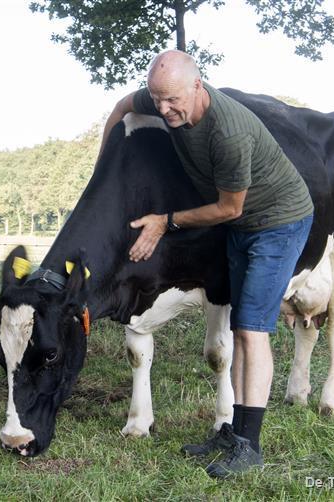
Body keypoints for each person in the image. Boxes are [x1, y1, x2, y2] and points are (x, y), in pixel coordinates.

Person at [100, 50, 313, 478]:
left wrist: (166, 222)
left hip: (277, 222)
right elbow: (124, 105)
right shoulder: (162, 97)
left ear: (197, 85)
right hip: (242, 225)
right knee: (237, 326)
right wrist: (104, 164)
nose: (163, 110)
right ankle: (230, 431)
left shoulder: (227, 132)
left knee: (253, 331)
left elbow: (229, 208)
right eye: (157, 99)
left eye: (172, 100)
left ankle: (249, 447)